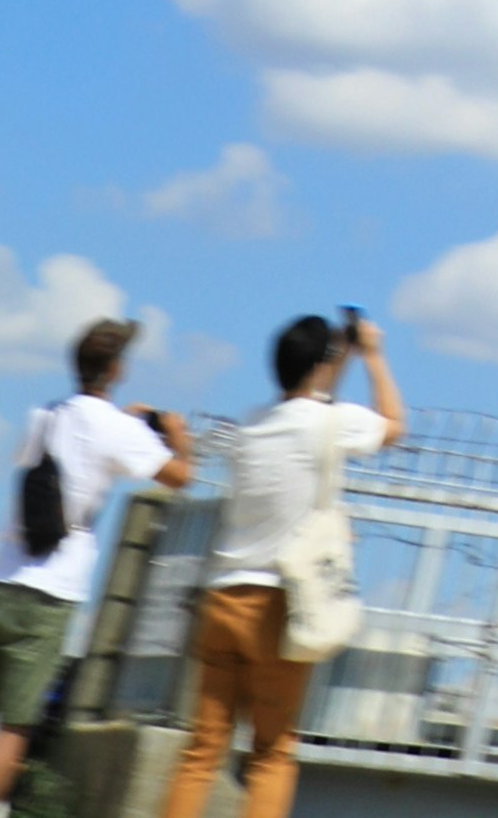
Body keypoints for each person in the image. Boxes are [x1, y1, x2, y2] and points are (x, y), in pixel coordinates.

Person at [0, 322, 192, 818]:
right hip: (52, 591)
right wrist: (174, 435)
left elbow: (30, 463)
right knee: (14, 727)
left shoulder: (44, 416)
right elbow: (180, 477)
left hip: (2, 578)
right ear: (116, 370)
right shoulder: (118, 428)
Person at [157, 306, 405, 818]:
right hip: (277, 605)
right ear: (322, 365)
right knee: (271, 753)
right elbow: (393, 426)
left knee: (203, 751)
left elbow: (313, 399)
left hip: (222, 596)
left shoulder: (252, 427)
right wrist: (373, 356)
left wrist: (339, 356)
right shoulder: (331, 423)